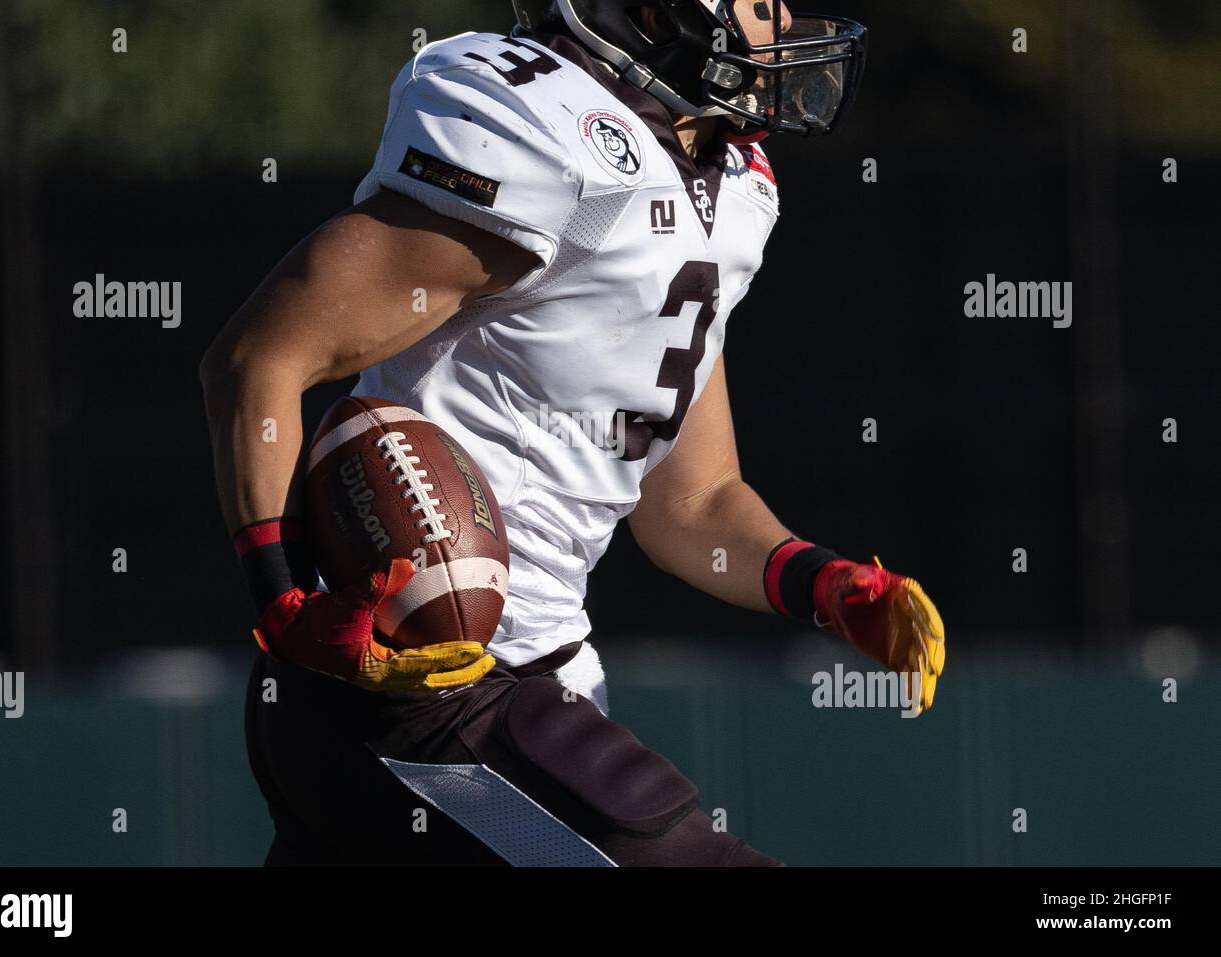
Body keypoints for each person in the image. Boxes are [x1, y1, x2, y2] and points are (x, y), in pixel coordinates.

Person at [199, 0, 944, 866]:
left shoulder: (733, 190)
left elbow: (691, 503)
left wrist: (828, 584)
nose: (784, 19)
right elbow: (258, 360)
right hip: (415, 680)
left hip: (510, 687)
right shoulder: (548, 136)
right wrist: (289, 604)